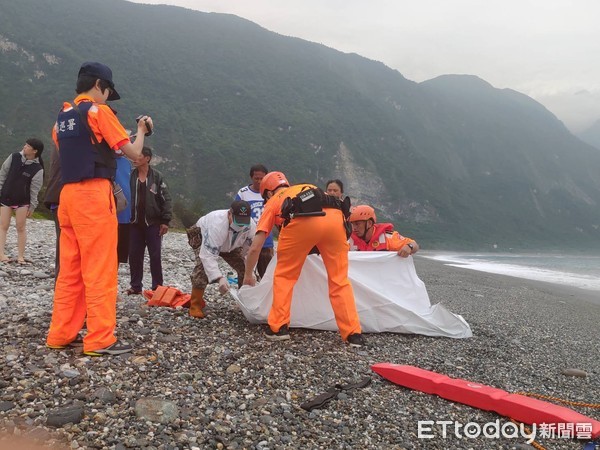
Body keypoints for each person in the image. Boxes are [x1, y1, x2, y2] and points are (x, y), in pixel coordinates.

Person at [46, 61, 153, 357]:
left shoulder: (62, 117)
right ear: (98, 86)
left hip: (67, 196)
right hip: (93, 196)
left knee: (70, 269)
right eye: (107, 91)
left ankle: (60, 333)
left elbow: (65, 147)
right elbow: (132, 153)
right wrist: (141, 131)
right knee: (100, 269)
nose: (107, 97)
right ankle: (100, 338)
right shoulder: (98, 111)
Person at [242, 171, 364, 347]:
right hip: (336, 221)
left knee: (285, 276)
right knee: (340, 281)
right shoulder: (307, 188)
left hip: (301, 220)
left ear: (269, 193)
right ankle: (353, 334)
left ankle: (278, 328)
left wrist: (248, 275)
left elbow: (255, 247)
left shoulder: (273, 202)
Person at [188, 200, 255, 319]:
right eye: (237, 220)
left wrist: (250, 272)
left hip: (232, 245)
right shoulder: (216, 224)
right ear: (229, 214)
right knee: (202, 269)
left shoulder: (251, 226)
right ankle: (195, 304)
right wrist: (219, 278)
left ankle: (245, 301)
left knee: (245, 269)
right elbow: (207, 255)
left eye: (243, 222)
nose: (240, 225)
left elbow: (249, 252)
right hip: (202, 236)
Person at [127, 146, 172, 294]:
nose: (135, 158)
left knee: (155, 255)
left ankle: (157, 287)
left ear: (147, 158)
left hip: (153, 223)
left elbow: (166, 199)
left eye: (138, 155)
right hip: (134, 223)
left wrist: (165, 221)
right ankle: (135, 286)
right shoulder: (131, 176)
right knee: (134, 255)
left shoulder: (157, 177)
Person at [0, 138, 45, 264]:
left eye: (28, 146)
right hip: (5, 197)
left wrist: (32, 207)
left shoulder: (38, 169)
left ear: (35, 151)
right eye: (25, 144)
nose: (24, 146)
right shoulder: (13, 157)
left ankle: (20, 256)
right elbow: (2, 174)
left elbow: (34, 190)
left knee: (21, 227)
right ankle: (1, 254)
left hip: (23, 201)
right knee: (3, 226)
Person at [234, 164, 273, 278]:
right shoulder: (243, 193)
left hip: (266, 240)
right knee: (245, 271)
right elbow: (235, 213)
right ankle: (244, 292)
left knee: (267, 273)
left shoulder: (270, 193)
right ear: (251, 177)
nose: (259, 181)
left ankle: (267, 294)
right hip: (246, 240)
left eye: (262, 178)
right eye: (256, 178)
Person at [348, 205, 419, 256]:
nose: (354, 228)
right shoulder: (348, 240)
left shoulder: (387, 237)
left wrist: (409, 246)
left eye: (357, 224)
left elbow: (414, 244)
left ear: (369, 223)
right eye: (352, 224)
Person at [43, 142, 64, 277]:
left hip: (57, 198)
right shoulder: (71, 141)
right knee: (66, 244)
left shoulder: (61, 138)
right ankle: (62, 277)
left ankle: (61, 278)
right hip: (63, 200)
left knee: (63, 243)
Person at [115, 155, 132, 266]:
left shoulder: (127, 163)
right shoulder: (103, 158)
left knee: (119, 255)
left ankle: (112, 281)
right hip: (108, 216)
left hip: (125, 217)